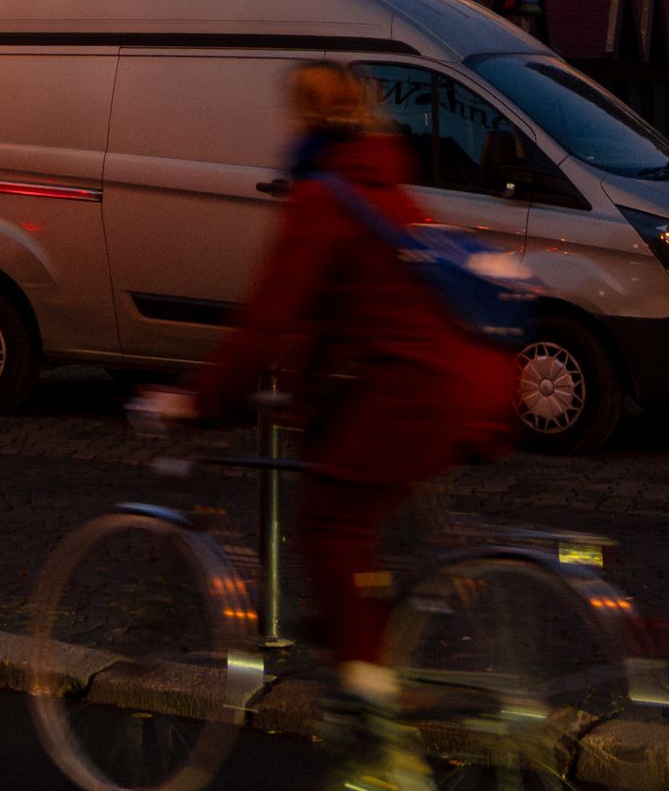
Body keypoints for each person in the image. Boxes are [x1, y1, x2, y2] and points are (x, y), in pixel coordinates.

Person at [138, 62, 513, 791]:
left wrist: (197, 399)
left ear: (305, 121)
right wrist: (301, 402)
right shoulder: (389, 187)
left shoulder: (323, 197)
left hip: (409, 393)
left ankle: (383, 754)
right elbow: (350, 316)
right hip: (459, 386)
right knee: (352, 522)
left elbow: (268, 318)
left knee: (328, 533)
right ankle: (368, 659)